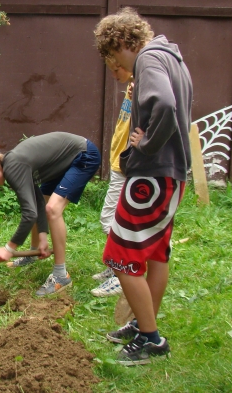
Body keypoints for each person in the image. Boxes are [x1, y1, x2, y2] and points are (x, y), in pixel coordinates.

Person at [93, 7, 193, 365]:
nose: (115, 66)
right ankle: (141, 323)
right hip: (172, 174)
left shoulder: (148, 59)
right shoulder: (170, 57)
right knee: (156, 254)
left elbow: (164, 104)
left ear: (121, 42)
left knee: (120, 257)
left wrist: (146, 144)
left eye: (112, 57)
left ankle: (151, 340)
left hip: (151, 177)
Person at [0, 132, 101, 296]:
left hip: (83, 155)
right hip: (65, 160)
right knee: (44, 202)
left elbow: (29, 214)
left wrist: (9, 248)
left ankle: (61, 275)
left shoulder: (13, 166)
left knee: (53, 209)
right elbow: (36, 201)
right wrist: (43, 237)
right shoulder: (13, 164)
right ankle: (34, 251)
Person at [90, 61, 134, 298]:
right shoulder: (133, 84)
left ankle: (121, 274)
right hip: (120, 160)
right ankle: (115, 266)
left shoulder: (143, 83)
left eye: (117, 69)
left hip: (128, 163)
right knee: (112, 219)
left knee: (112, 220)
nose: (114, 75)